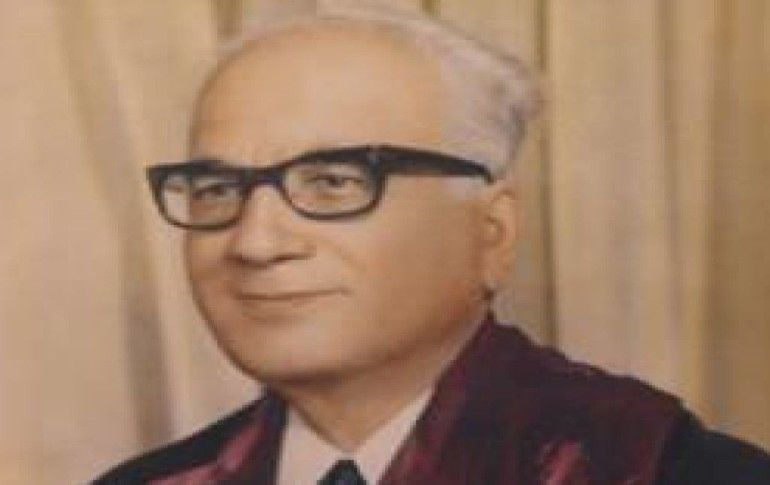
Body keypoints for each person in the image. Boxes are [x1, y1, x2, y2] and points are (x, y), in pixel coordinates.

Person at [95, 4, 770, 484]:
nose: (255, 241)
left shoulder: (661, 467)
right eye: (216, 188)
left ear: (492, 232)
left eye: (334, 181)